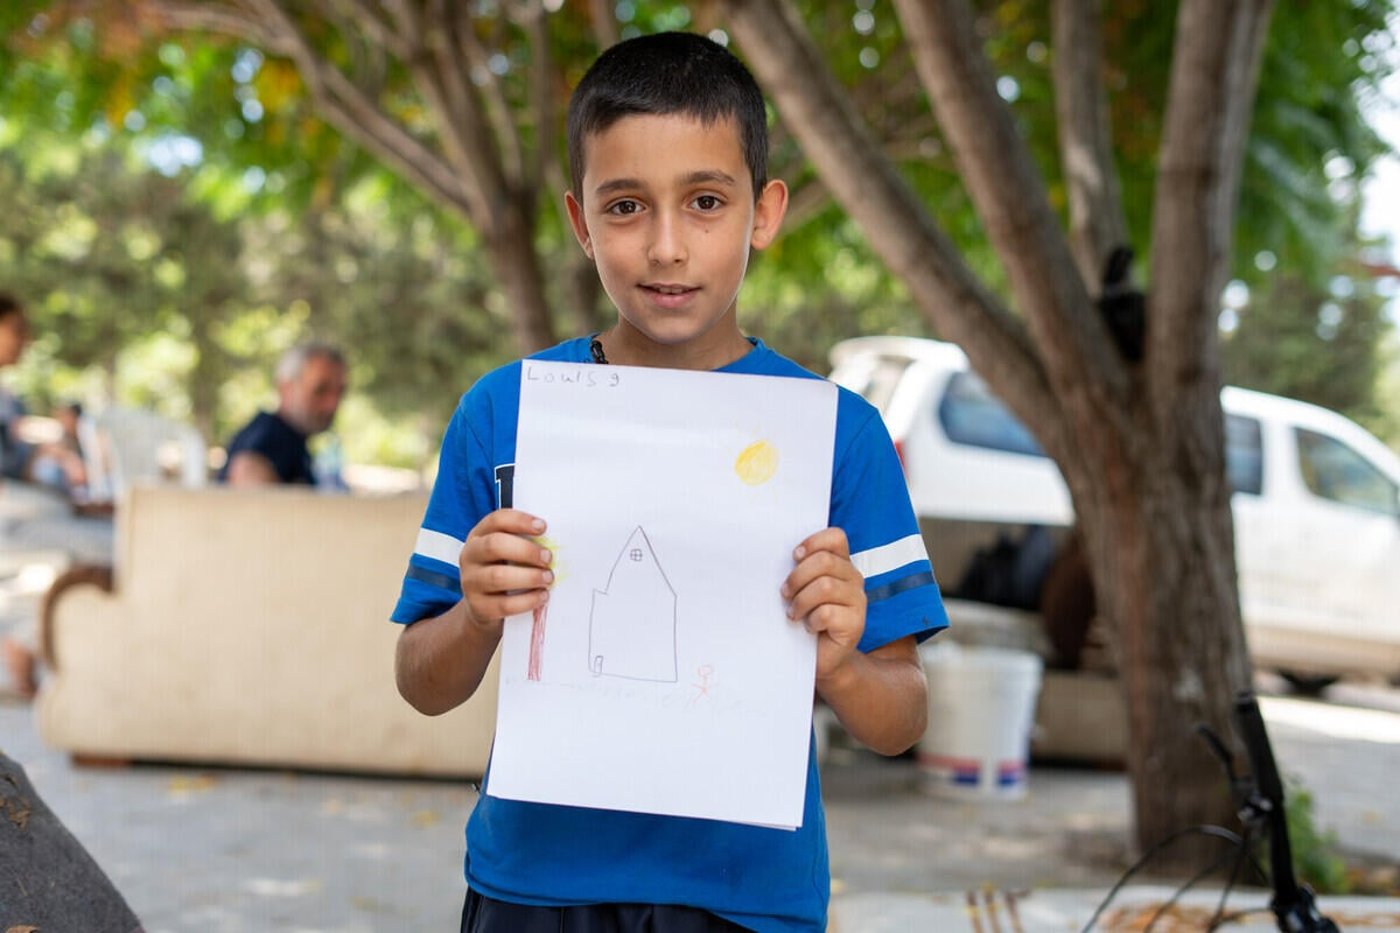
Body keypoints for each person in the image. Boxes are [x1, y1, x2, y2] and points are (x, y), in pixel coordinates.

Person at [391, 32, 948, 933]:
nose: (665, 246)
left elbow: (902, 714)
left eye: (704, 202)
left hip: (748, 896)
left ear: (763, 213)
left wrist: (840, 661)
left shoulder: (837, 436)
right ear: (579, 221)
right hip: (536, 886)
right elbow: (421, 679)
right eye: (624, 206)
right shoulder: (506, 414)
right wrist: (477, 613)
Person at [217, 341, 348, 487]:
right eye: (320, 390)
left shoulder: (294, 441)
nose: (333, 404)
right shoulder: (272, 434)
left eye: (340, 392)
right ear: (286, 388)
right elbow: (245, 469)